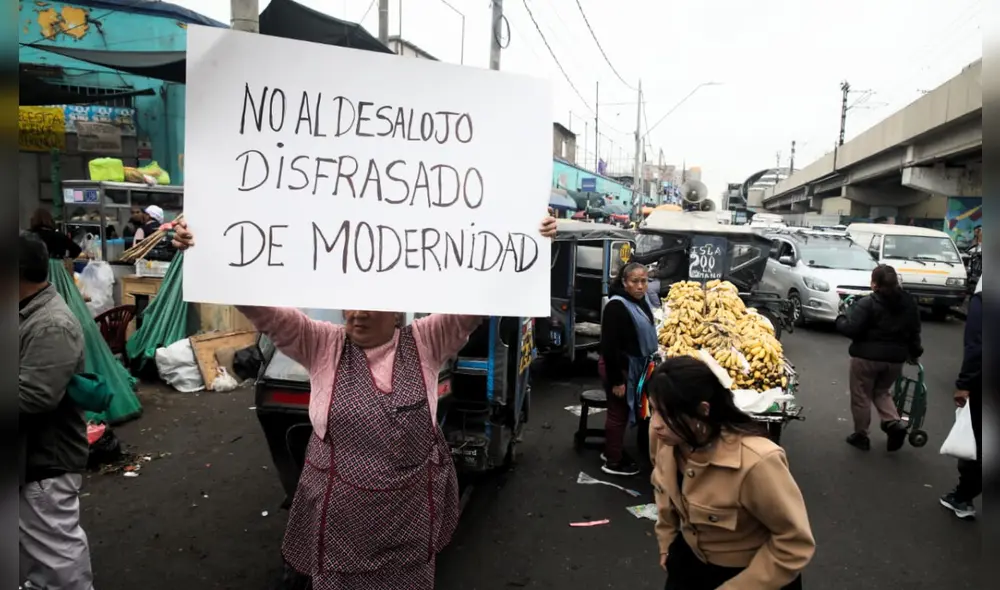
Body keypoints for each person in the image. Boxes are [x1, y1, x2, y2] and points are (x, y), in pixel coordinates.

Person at [171, 212, 558, 589]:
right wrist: (205, 250)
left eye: (370, 303)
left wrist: (530, 243)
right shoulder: (320, 341)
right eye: (349, 303)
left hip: (409, 516)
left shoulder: (427, 340)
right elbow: (261, 309)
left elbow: (482, 299)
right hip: (339, 518)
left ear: (398, 310)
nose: (356, 314)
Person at [648, 356, 815, 590]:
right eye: (653, 409)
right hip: (688, 563)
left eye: (665, 414)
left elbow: (794, 543)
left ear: (702, 410)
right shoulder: (664, 438)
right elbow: (663, 490)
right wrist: (666, 541)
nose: (655, 423)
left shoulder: (757, 462)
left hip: (751, 576)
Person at [18, 232, 95, 590]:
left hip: (47, 460)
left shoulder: (51, 324)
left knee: (57, 557)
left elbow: (34, 396)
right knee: (38, 550)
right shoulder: (25, 313)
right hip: (28, 455)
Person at [835, 264, 922, 452]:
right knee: (882, 392)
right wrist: (914, 353)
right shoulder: (908, 303)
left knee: (861, 395)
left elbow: (852, 329)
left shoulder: (869, 303)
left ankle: (861, 435)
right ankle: (893, 423)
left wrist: (840, 319)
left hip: (866, 358)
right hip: (895, 360)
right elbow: (914, 331)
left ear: (875, 284)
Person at [599, 261, 658, 476]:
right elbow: (609, 346)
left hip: (633, 366)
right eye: (635, 281)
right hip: (620, 367)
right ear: (625, 283)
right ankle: (613, 460)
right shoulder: (617, 306)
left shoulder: (640, 302)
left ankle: (610, 450)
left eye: (644, 281)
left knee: (621, 411)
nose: (641, 286)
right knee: (618, 413)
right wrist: (617, 381)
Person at [939, 271, 982, 519]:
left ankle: (963, 498)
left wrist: (965, 383)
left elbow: (978, 345)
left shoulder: (984, 300)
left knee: (977, 439)